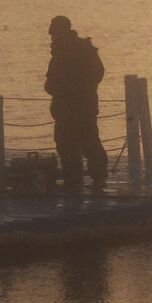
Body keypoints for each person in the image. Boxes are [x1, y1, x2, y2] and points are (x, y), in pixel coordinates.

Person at [44, 15, 108, 192]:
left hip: (75, 106)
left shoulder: (74, 50)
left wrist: (75, 89)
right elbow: (98, 73)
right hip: (75, 106)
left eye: (54, 33)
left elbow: (96, 73)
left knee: (80, 143)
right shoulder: (77, 50)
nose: (52, 37)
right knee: (72, 144)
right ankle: (84, 179)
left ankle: (87, 178)